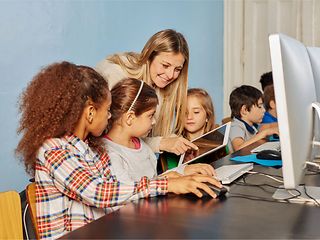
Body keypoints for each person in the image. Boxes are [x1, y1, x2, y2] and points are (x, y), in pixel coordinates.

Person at [15, 62, 221, 239]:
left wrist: (179, 177)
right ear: (90, 113)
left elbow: (121, 187)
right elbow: (99, 192)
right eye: (107, 110)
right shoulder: (53, 150)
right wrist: (168, 183)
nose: (110, 117)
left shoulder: (89, 149)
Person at [95, 29, 197, 155]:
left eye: (177, 69)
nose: (171, 75)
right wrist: (162, 143)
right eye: (165, 66)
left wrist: (176, 143)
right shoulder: (115, 76)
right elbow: (115, 137)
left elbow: (152, 133)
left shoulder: (163, 87)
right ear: (149, 57)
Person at [105, 78, 216, 183]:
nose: (154, 121)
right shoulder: (110, 154)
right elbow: (129, 192)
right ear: (130, 118)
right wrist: (170, 181)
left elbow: (154, 180)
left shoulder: (141, 146)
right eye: (150, 115)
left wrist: (184, 170)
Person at [228, 85, 279, 152]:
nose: (264, 110)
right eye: (260, 106)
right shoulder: (236, 126)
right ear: (245, 110)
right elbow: (238, 148)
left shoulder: (253, 126)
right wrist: (264, 133)